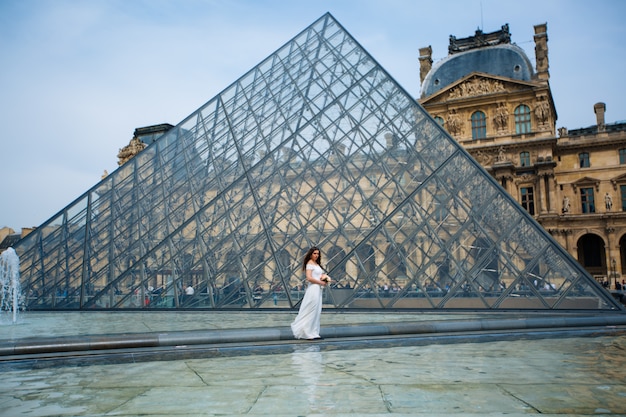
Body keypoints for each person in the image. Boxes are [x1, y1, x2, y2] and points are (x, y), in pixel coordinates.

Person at [291, 247, 331, 340]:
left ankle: (314, 332)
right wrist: (321, 282)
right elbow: (309, 278)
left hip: (318, 289)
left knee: (317, 311)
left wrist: (324, 278)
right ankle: (307, 333)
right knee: (311, 310)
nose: (316, 255)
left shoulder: (317, 264)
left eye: (318, 254)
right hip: (313, 289)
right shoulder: (309, 263)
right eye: (314, 253)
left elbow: (318, 275)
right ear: (310, 254)